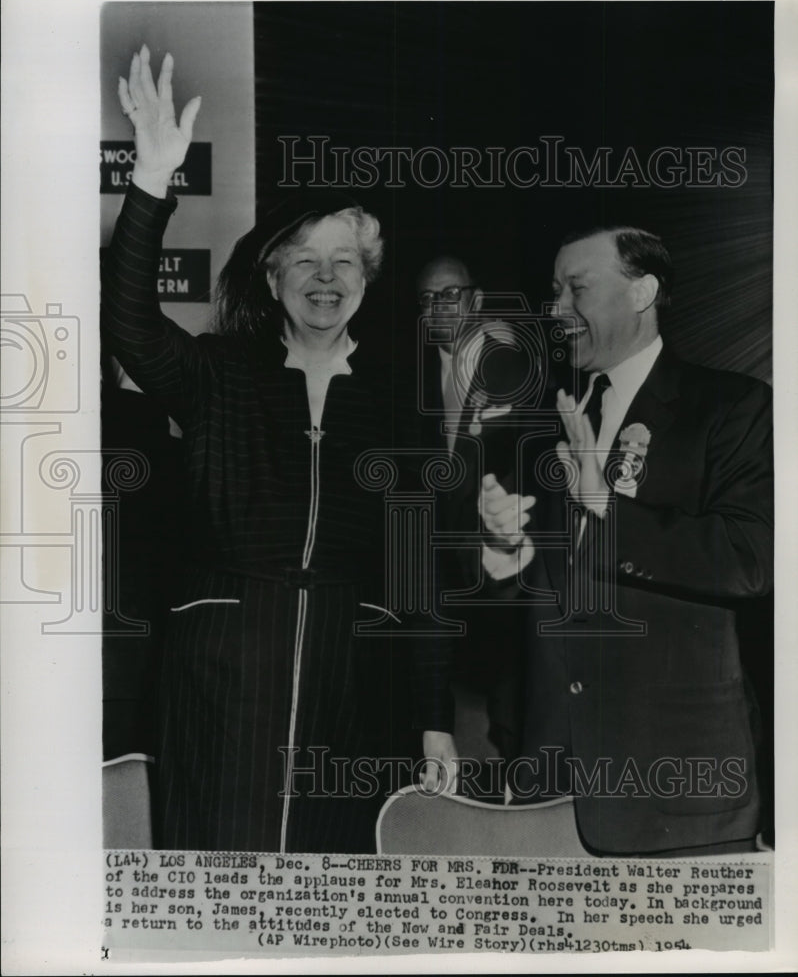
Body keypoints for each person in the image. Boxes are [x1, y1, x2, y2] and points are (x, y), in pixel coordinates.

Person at [102, 46, 407, 853]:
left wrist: (436, 720)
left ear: (367, 282)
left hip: (349, 676)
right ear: (272, 279)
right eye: (303, 259)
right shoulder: (218, 375)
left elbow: (418, 573)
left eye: (345, 260)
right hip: (221, 667)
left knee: (329, 875)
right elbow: (129, 324)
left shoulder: (392, 403)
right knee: (218, 861)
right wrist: (152, 180)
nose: (325, 275)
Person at [437, 226, 773, 855]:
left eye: (577, 289)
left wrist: (603, 509)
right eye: (554, 289)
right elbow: (495, 607)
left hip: (678, 794)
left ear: (642, 291)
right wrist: (505, 552)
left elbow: (753, 561)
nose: (557, 308)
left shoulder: (733, 408)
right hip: (546, 785)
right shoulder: (536, 426)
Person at [413, 256, 537, 797]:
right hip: (435, 569)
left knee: (514, 708)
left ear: (477, 299)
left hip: (506, 566)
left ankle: (521, 786)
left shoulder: (512, 363)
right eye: (428, 298)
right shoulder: (404, 373)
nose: (439, 306)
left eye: (451, 294)